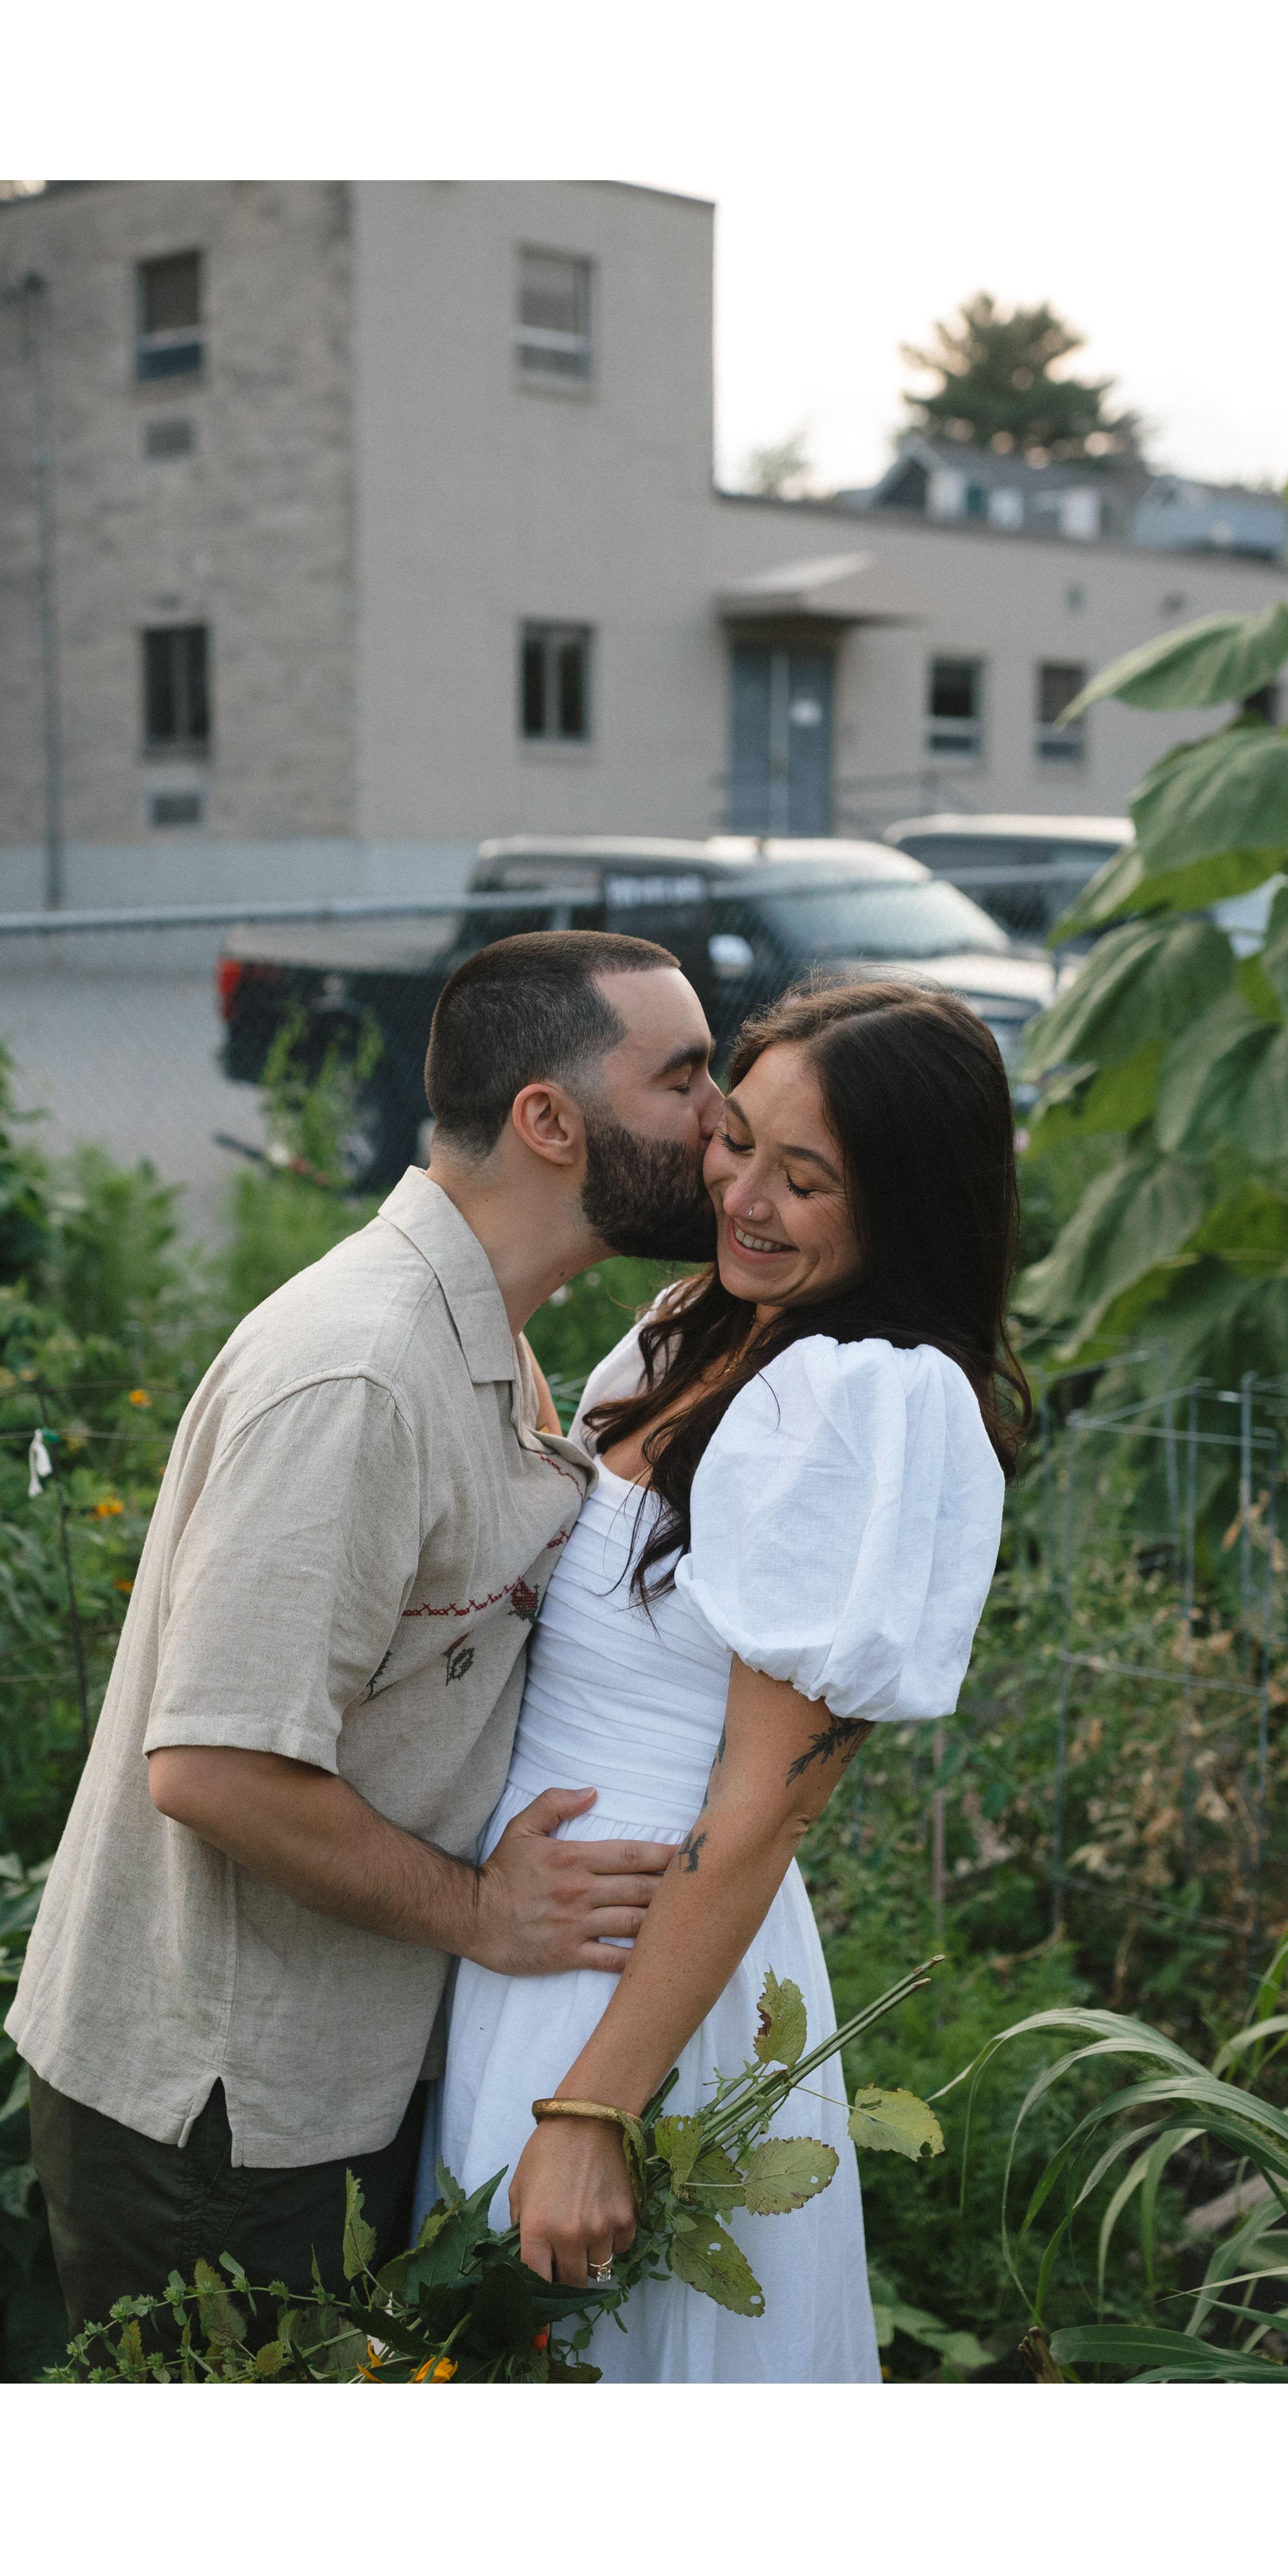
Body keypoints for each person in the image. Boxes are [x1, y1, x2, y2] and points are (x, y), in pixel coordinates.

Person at [8, 927, 726, 2332]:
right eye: (685, 1078)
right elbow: (214, 1768)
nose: (724, 1118)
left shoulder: (483, 1330)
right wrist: (482, 1913)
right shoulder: (361, 1377)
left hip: (321, 2086)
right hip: (222, 2119)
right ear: (549, 1121)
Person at [432, 977, 1027, 2382]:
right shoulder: (699, 1324)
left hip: (648, 1978)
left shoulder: (864, 1400)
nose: (744, 1198)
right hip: (536, 1933)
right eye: (737, 1140)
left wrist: (596, 2111)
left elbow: (767, 1801)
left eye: (805, 1182)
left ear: (905, 1205)